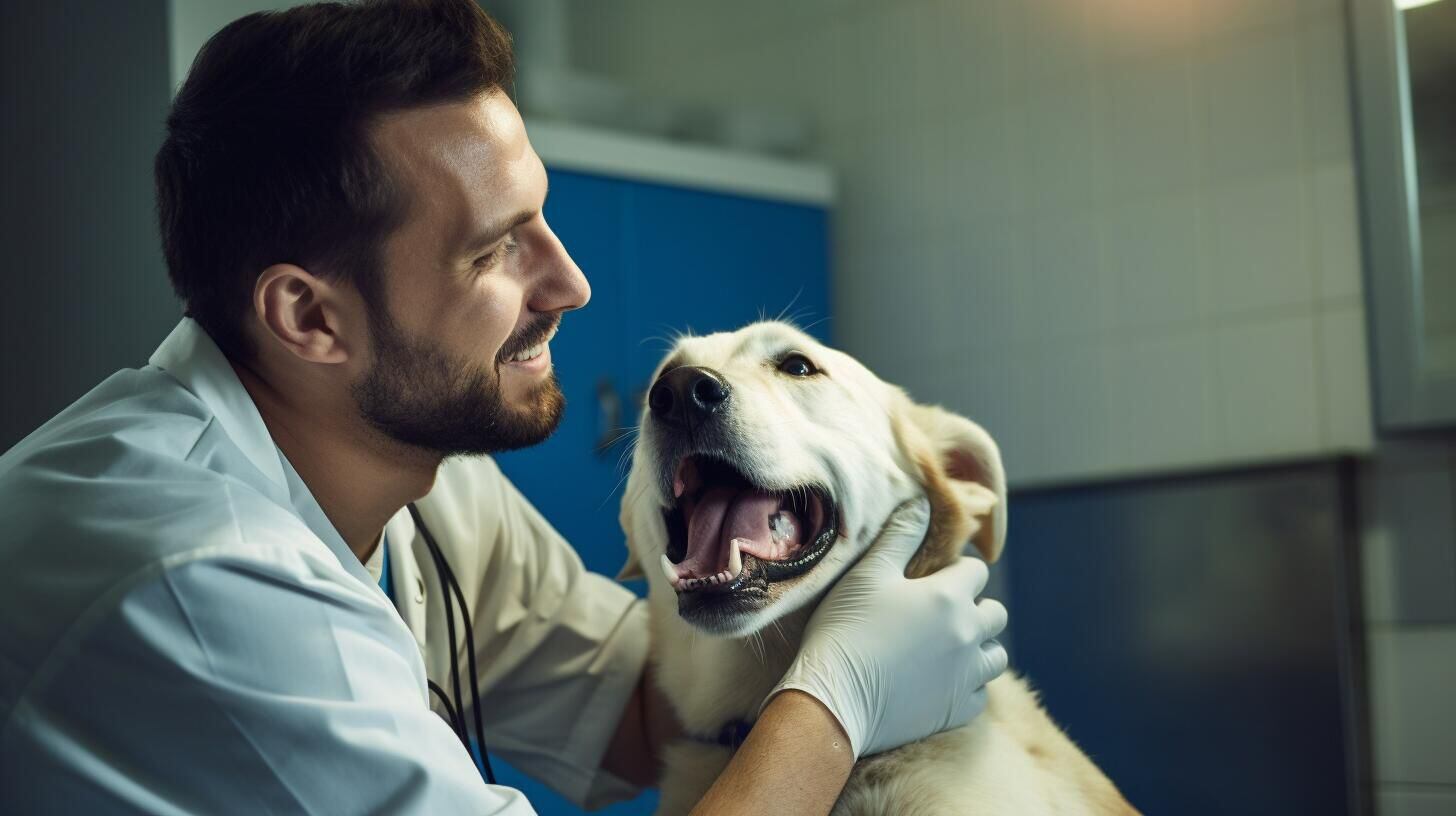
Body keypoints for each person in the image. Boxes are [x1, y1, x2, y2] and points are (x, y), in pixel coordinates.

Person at [0, 1, 1009, 813]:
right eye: (493, 250)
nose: (568, 283)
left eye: (542, 217)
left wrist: (828, 579)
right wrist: (839, 697)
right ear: (309, 316)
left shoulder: (410, 476)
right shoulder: (196, 575)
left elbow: (642, 714)